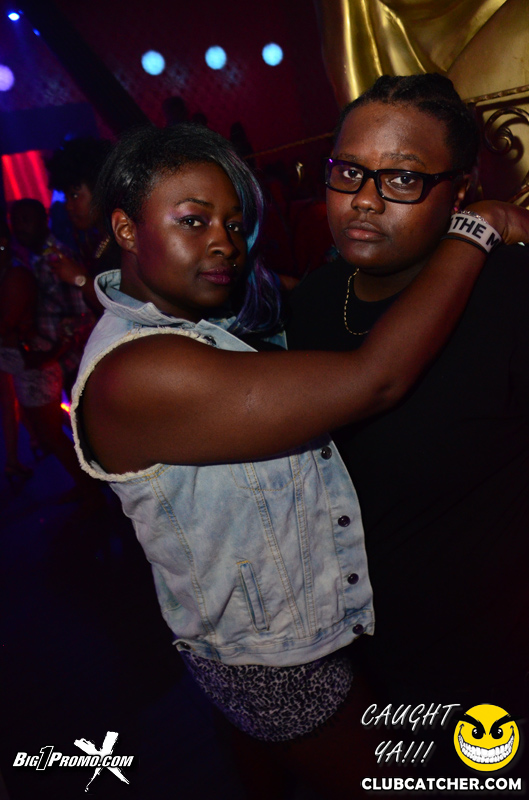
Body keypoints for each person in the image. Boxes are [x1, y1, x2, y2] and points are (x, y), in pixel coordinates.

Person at [70, 122, 527, 754]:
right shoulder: (139, 374)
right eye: (194, 221)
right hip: (279, 666)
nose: (224, 242)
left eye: (234, 224)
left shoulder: (194, 324)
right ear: (125, 229)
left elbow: (312, 299)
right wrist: (477, 228)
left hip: (300, 635)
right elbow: (375, 379)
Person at [286, 74, 529, 773]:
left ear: (459, 190)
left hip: (494, 664)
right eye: (348, 171)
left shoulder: (509, 294)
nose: (364, 199)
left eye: (402, 178)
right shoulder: (316, 299)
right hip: (367, 658)